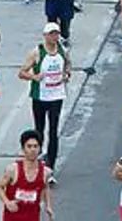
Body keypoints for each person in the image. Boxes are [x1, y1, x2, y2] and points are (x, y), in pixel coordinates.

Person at [19, 22, 72, 173]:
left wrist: (66, 74)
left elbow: (68, 65)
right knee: (39, 130)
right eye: (51, 34)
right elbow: (22, 72)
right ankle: (36, 161)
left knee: (54, 130)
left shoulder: (63, 50)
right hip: (40, 96)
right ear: (45, 35)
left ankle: (51, 166)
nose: (55, 36)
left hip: (57, 95)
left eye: (56, 33)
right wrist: (34, 77)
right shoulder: (37, 52)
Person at [0, 129, 51, 221]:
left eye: (35, 146)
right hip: (12, 217)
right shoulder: (12, 170)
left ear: (40, 149)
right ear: (23, 149)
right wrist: (7, 202)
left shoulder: (45, 172)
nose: (33, 150)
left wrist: (48, 206)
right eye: (29, 146)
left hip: (32, 217)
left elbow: (45, 187)